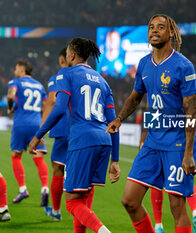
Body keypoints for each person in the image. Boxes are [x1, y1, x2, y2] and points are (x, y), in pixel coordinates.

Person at [107, 14, 196, 233]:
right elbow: (136, 97)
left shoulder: (183, 66)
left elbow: (191, 111)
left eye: (160, 27)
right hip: (153, 142)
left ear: (171, 33)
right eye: (151, 27)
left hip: (177, 143)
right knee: (129, 200)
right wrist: (119, 118)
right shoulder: (144, 63)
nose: (154, 31)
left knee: (177, 206)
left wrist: (188, 153)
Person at [28, 38, 120, 233]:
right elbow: (113, 123)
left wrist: (38, 135)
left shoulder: (66, 74)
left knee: (71, 203)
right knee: (83, 200)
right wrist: (116, 159)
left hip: (82, 140)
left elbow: (60, 107)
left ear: (71, 55)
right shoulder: (103, 82)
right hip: (104, 142)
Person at [7, 60, 49, 206]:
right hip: (37, 124)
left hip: (21, 123)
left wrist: (10, 107)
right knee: (38, 157)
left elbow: (11, 96)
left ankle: (23, 189)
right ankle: (44, 188)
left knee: (16, 155)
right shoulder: (39, 85)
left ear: (22, 69)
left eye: (16, 68)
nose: (14, 71)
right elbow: (45, 107)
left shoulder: (15, 82)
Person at [40, 48, 69, 221]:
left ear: (61, 60)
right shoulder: (88, 76)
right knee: (80, 171)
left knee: (58, 168)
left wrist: (41, 130)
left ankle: (56, 211)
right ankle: (83, 212)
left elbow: (52, 100)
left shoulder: (58, 77)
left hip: (64, 127)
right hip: (84, 130)